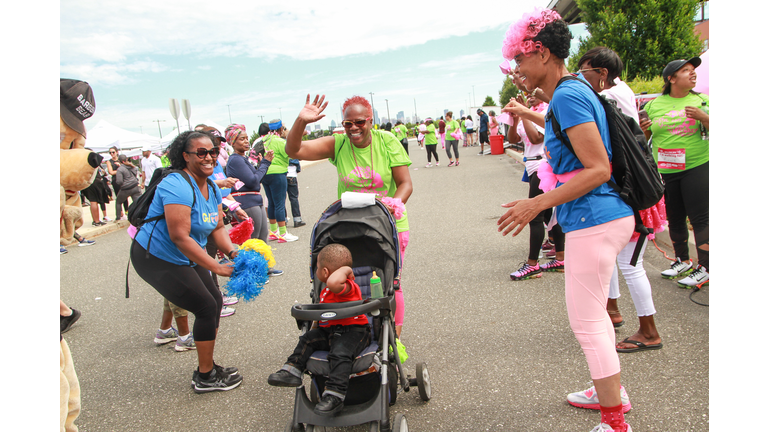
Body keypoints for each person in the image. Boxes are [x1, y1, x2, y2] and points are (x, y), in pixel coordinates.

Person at [499, 8, 635, 432]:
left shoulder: (568, 94)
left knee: (588, 321)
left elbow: (597, 168)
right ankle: (608, 389)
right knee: (594, 316)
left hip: (595, 218)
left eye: (520, 60)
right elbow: (567, 135)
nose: (517, 69)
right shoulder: (568, 92)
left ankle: (614, 422)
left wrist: (535, 205)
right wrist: (530, 111)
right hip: (600, 217)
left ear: (540, 52)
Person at [285, 94, 412, 338]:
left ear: (370, 120)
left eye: (360, 122)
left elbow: (405, 183)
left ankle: (393, 339)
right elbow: (295, 150)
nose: (354, 128)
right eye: (348, 123)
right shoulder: (339, 144)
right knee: (345, 278)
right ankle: (348, 328)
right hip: (349, 227)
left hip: (387, 224)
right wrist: (301, 121)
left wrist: (391, 205)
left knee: (389, 282)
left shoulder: (387, 141)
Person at [130, 130, 243, 393]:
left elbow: (216, 227)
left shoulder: (212, 186)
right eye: (201, 152)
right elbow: (179, 236)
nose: (209, 157)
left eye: (213, 152)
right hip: (155, 257)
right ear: (185, 155)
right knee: (204, 305)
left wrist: (233, 253)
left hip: (183, 255)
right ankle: (205, 377)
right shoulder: (177, 184)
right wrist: (216, 266)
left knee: (214, 301)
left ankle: (209, 366)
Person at [576, 46, 666, 352]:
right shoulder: (619, 91)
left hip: (631, 191)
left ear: (601, 74)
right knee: (614, 260)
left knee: (631, 264)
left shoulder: (608, 99)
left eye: (583, 71)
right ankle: (612, 312)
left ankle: (649, 331)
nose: (578, 77)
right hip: (629, 187)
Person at [267, 244, 371, 416]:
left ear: (324, 271)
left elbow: (333, 281)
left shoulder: (348, 287)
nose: (316, 272)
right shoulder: (326, 291)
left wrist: (345, 269)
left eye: (317, 268)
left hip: (354, 332)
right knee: (307, 339)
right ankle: (292, 370)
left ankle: (335, 394)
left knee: (339, 353)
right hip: (330, 331)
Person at [640, 56, 709, 288]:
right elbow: (645, 138)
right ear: (671, 78)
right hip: (667, 169)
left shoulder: (702, 101)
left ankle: (706, 268)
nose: (693, 73)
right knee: (675, 216)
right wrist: (643, 131)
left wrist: (704, 118)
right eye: (686, 70)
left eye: (693, 70)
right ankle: (682, 260)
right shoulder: (653, 105)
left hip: (696, 166)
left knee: (700, 218)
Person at [505, 91, 566, 278]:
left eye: (534, 93)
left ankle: (532, 265)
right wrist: (515, 119)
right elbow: (514, 139)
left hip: (543, 165)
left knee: (535, 215)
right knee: (549, 214)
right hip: (531, 165)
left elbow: (536, 138)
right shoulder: (530, 112)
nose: (530, 96)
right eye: (527, 94)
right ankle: (561, 259)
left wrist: (524, 114)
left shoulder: (545, 111)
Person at [261, 119, 298, 242]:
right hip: (278, 173)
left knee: (271, 202)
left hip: (265, 173)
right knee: (280, 203)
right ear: (280, 129)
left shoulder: (263, 140)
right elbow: (291, 154)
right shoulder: (280, 141)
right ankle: (283, 233)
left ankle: (273, 231)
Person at [80, 156, 110, 227]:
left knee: (92, 201)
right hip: (95, 182)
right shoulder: (95, 163)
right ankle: (97, 221)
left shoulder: (83, 164)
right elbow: (103, 173)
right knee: (94, 201)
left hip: (87, 183)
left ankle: (95, 220)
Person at [113, 154, 141, 221]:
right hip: (135, 186)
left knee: (118, 202)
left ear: (119, 161)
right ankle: (140, 216)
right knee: (138, 202)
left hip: (126, 188)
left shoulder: (120, 169)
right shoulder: (132, 166)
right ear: (126, 159)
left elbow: (119, 181)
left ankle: (118, 217)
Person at [106, 146, 129, 218]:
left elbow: (127, 168)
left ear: (117, 152)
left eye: (113, 152)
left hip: (123, 179)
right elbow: (111, 172)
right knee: (118, 197)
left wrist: (119, 168)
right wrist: (120, 170)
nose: (112, 154)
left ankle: (127, 211)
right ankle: (120, 214)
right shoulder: (109, 161)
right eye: (110, 152)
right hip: (115, 180)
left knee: (125, 197)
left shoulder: (121, 160)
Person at [286, 158, 306, 227]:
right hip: (291, 172)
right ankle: (297, 219)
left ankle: (283, 220)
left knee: (281, 199)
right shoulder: (290, 147)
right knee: (293, 198)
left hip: (280, 173)